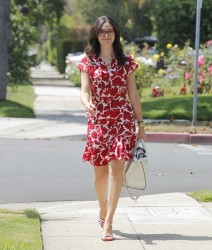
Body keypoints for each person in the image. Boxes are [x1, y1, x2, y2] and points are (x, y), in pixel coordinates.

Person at [78, 16, 147, 241]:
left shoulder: (126, 61)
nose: (106, 34)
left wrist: (141, 123)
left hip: (122, 119)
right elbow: (84, 91)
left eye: (109, 31)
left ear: (115, 34)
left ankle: (108, 221)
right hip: (98, 119)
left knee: (116, 169)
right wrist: (86, 103)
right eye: (102, 31)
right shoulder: (88, 61)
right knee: (99, 174)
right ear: (96, 34)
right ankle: (102, 206)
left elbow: (133, 94)